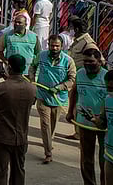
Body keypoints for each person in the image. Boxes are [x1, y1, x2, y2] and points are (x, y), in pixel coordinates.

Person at [0, 54, 38, 185]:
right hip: (21, 137)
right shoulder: (32, 89)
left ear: (9, 67)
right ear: (24, 68)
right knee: (18, 172)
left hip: (1, 137)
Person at [29, 34, 76, 164]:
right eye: (52, 45)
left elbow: (72, 79)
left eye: (57, 46)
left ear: (62, 47)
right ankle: (48, 152)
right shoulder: (42, 56)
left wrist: (61, 87)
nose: (54, 48)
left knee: (53, 125)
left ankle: (49, 141)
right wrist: (32, 80)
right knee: (45, 124)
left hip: (58, 98)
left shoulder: (68, 61)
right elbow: (32, 66)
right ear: (48, 45)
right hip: (42, 96)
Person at [68, 48, 108, 185]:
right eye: (85, 61)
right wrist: (69, 111)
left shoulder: (107, 77)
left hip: (104, 125)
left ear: (99, 61)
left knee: (105, 159)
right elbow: (74, 92)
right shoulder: (80, 74)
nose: (87, 64)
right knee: (86, 158)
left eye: (91, 61)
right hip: (84, 122)